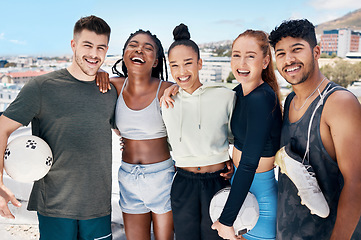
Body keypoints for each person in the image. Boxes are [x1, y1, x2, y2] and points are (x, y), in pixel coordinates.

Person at [0, 15, 116, 240]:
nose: (94, 54)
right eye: (87, 45)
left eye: (100, 47)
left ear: (106, 50)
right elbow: (2, 128)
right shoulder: (41, 87)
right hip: (55, 207)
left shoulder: (109, 90)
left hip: (98, 207)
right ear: (73, 45)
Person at [269, 19, 361, 239]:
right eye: (280, 53)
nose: (288, 59)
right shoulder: (290, 99)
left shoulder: (338, 102)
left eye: (297, 49)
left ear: (316, 51)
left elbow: (357, 183)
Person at [97, 29, 175, 240]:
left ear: (156, 61)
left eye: (148, 48)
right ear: (124, 54)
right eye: (133, 45)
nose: (139, 49)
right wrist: (101, 72)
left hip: (162, 177)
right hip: (128, 176)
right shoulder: (114, 85)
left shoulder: (167, 89)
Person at [161, 23, 235, 240]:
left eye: (188, 63)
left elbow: (235, 137)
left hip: (218, 180)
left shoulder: (225, 97)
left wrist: (231, 161)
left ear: (200, 63)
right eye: (174, 65)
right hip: (183, 182)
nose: (182, 72)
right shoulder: (166, 101)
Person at [211, 30, 282, 240]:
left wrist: (226, 221)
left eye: (250, 56)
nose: (242, 63)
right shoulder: (240, 92)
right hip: (239, 187)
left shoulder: (262, 99)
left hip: (260, 199)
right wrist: (170, 90)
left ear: (265, 61)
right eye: (236, 55)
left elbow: (250, 164)